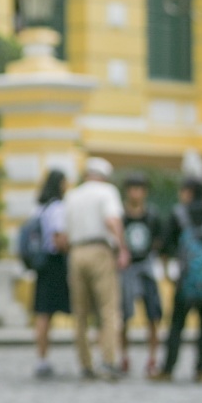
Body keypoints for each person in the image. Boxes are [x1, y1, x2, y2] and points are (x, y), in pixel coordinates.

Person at [60, 156, 129, 381]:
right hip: (100, 250)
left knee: (80, 313)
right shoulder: (107, 192)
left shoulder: (72, 195)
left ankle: (85, 364)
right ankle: (108, 361)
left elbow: (63, 235)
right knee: (108, 309)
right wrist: (122, 248)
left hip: (76, 252)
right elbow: (112, 220)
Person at [156, 178, 202, 382]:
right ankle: (200, 370)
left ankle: (168, 369)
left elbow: (164, 246)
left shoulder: (179, 214)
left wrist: (168, 273)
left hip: (185, 282)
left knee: (176, 325)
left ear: (188, 192)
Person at [119, 173, 162, 378]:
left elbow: (159, 241)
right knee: (123, 314)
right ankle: (123, 355)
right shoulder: (121, 216)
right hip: (127, 269)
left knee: (153, 314)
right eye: (132, 188)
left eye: (139, 189)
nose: (136, 193)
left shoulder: (152, 216)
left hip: (146, 265)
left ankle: (152, 357)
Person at [31, 169, 70, 379]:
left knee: (42, 312)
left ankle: (42, 358)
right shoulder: (57, 208)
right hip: (56, 263)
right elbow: (59, 238)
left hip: (42, 263)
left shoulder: (40, 208)